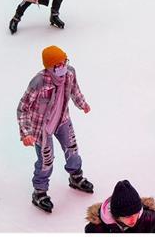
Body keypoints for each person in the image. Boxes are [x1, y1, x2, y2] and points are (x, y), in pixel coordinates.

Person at [15, 45, 95, 213]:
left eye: (64, 62)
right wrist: (26, 133)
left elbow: (75, 91)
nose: (62, 67)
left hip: (63, 120)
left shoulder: (70, 73)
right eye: (57, 65)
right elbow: (22, 107)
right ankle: (39, 192)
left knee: (72, 149)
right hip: (42, 128)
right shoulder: (39, 82)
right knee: (46, 160)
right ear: (49, 67)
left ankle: (76, 177)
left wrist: (82, 104)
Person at [85, 179, 155, 232]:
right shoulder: (96, 229)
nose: (133, 220)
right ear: (116, 215)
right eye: (127, 216)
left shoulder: (151, 219)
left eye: (136, 213)